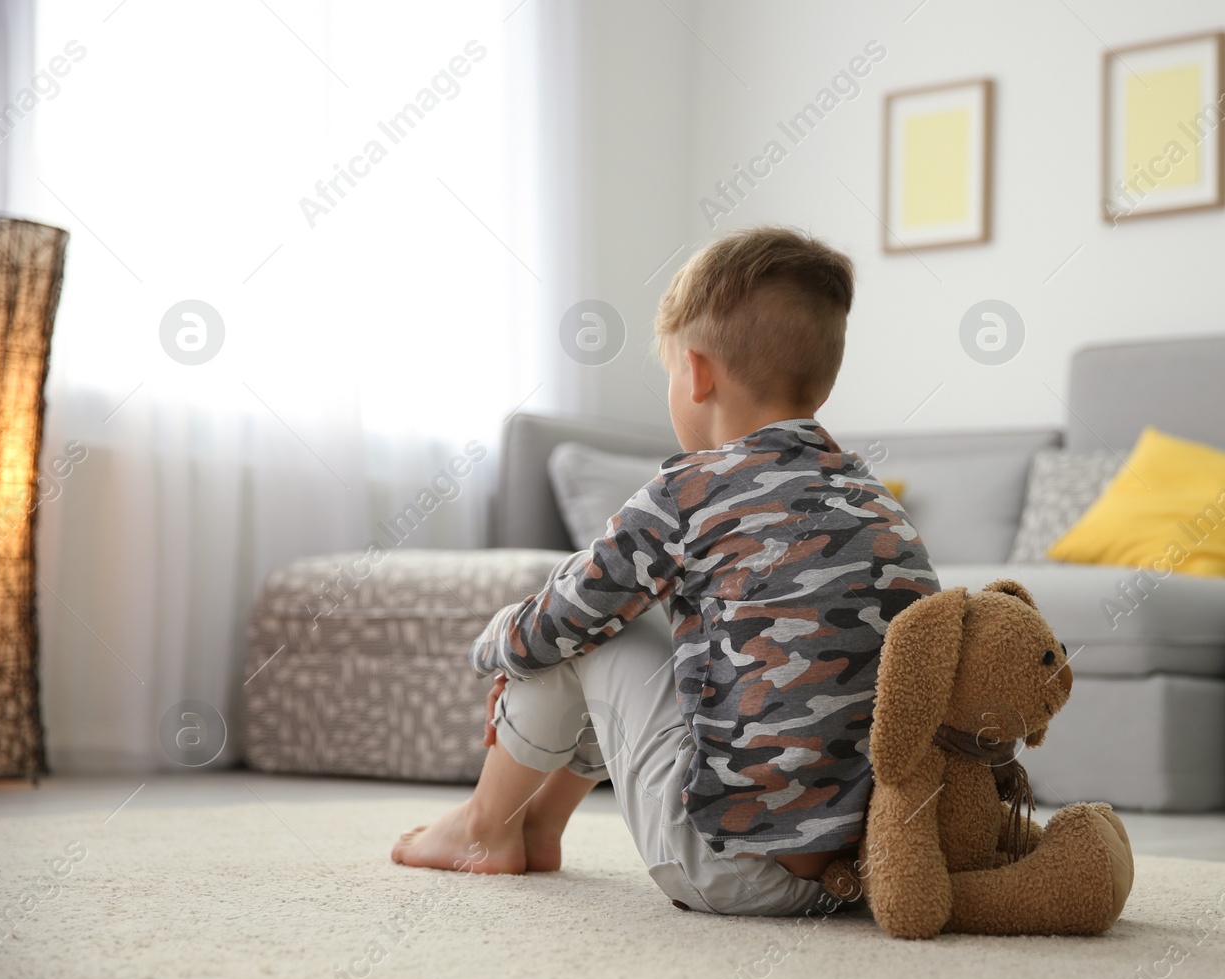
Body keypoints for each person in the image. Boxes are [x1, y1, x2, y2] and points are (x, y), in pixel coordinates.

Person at [393, 226, 939, 914]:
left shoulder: (689, 492)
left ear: (698, 372)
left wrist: (495, 641)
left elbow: (562, 621)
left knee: (586, 615)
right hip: (863, 868)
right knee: (636, 618)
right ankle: (539, 823)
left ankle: (482, 825)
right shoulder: (880, 505)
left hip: (725, 866)